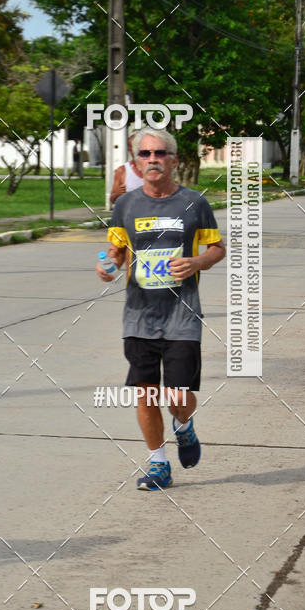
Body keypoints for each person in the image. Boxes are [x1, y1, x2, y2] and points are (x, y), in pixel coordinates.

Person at [96, 127, 225, 490]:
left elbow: (217, 249)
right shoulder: (126, 205)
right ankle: (158, 464)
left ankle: (183, 425)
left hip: (183, 315)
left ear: (173, 160)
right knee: (147, 393)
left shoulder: (194, 203)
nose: (152, 159)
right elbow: (117, 251)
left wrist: (196, 263)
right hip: (139, 316)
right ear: (137, 162)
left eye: (160, 153)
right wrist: (108, 266)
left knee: (178, 396)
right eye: (145, 154)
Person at [110, 123, 144, 204]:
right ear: (129, 150)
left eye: (139, 148)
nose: (137, 151)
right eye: (134, 148)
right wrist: (117, 193)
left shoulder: (153, 168)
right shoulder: (122, 171)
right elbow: (112, 199)